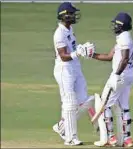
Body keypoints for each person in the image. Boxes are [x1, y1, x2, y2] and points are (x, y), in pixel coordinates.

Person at [83, 12, 133, 147]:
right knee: (124, 106)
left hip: (120, 75)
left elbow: (124, 59)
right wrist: (91, 55)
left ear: (122, 25)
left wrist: (116, 75)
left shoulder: (124, 38)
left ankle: (110, 137)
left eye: (116, 24)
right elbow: (109, 56)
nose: (114, 26)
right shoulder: (124, 37)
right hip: (128, 76)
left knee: (103, 105)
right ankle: (127, 139)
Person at [52, 2, 96, 146]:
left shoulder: (70, 29)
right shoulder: (59, 33)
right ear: (64, 16)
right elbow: (64, 55)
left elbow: (73, 48)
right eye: (71, 13)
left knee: (85, 101)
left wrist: (83, 49)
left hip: (75, 68)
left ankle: (62, 127)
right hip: (64, 70)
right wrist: (78, 53)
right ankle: (71, 138)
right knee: (69, 104)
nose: (74, 16)